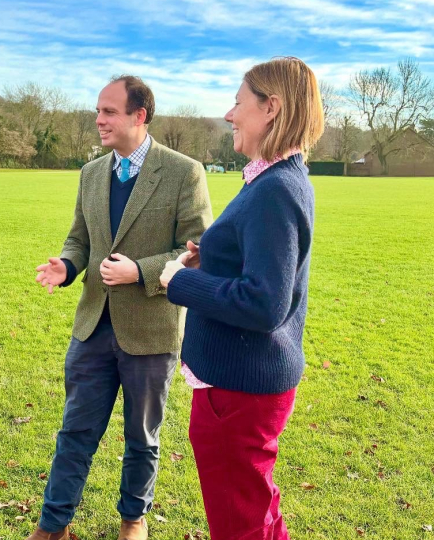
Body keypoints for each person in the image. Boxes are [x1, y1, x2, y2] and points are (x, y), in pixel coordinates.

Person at [31, 76, 212, 540]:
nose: (99, 119)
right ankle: (53, 526)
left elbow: (195, 249)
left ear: (139, 115)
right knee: (75, 434)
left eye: (109, 111)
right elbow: (80, 239)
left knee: (142, 439)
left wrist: (142, 271)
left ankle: (134, 519)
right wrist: (67, 267)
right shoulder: (91, 173)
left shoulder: (183, 172)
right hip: (92, 328)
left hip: (151, 330)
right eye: (98, 110)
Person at [160, 57, 324, 540]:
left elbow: (264, 303)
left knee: (240, 525)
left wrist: (178, 282)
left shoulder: (276, 188)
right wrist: (209, 260)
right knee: (257, 509)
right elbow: (262, 270)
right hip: (246, 385)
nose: (230, 115)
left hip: (240, 392)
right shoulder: (275, 177)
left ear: (270, 108)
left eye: (237, 103)